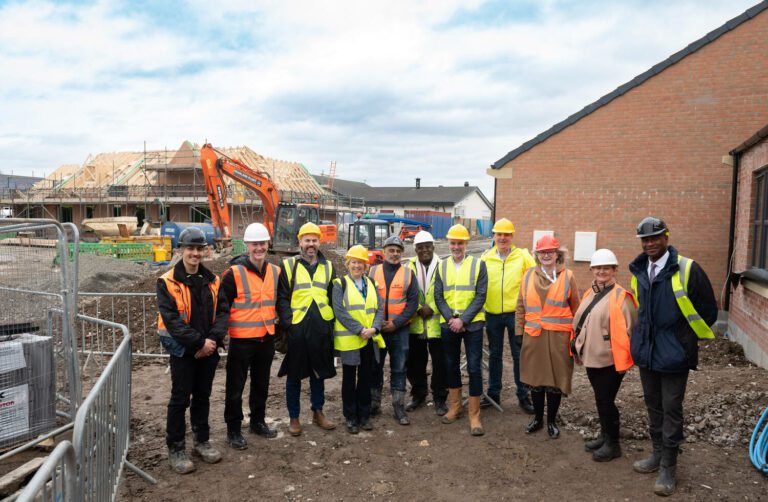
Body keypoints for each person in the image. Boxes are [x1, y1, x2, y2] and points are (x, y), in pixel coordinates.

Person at [628, 217, 717, 496]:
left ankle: (669, 466)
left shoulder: (688, 269)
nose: (650, 243)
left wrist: (683, 338)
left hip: (675, 354)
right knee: (653, 406)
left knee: (671, 409)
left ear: (666, 237)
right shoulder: (639, 269)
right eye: (645, 239)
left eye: (655, 237)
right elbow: (641, 310)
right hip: (648, 353)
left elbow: (708, 311)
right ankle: (656, 454)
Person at [157, 227, 227, 474]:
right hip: (183, 352)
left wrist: (211, 341)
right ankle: (176, 447)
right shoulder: (167, 282)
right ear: (181, 250)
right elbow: (172, 320)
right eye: (190, 248)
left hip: (207, 351)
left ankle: (201, 441)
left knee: (202, 397)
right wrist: (199, 344)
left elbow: (222, 313)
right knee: (179, 400)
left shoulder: (213, 281)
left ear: (205, 251)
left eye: (199, 249)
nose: (195, 253)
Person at [219, 223, 280, 450]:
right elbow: (222, 308)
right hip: (242, 340)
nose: (259, 248)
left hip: (266, 338)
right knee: (235, 387)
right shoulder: (233, 274)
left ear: (267, 244)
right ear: (247, 245)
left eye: (262, 243)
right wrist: (218, 337)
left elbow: (280, 302)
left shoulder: (275, 271)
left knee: (261, 384)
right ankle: (233, 429)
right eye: (255, 244)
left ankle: (257, 422)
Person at [572, 249, 636, 462]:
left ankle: (613, 444)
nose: (601, 271)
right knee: (601, 399)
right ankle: (605, 436)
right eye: (598, 267)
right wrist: (577, 348)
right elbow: (583, 322)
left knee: (606, 401)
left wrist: (625, 361)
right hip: (592, 357)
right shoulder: (591, 292)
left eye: (606, 268)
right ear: (592, 269)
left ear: (614, 270)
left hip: (610, 360)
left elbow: (632, 330)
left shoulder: (621, 296)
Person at [277, 222, 337, 436]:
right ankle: (294, 417)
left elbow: (333, 297)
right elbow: (282, 298)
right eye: (307, 240)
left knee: (318, 373)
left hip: (321, 327)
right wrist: (289, 323)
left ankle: (317, 411)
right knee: (294, 374)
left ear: (319, 242)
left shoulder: (329, 267)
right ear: (299, 242)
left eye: (314, 240)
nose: (311, 244)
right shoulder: (288, 266)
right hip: (298, 327)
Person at [517, 235, 580, 439]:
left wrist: (576, 337)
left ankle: (551, 420)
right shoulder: (527, 276)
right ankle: (537, 418)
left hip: (559, 339)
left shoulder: (567, 276)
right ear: (537, 255)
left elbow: (576, 308)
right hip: (534, 336)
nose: (546, 255)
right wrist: (519, 332)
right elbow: (520, 307)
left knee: (554, 381)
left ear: (557, 254)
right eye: (542, 252)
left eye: (549, 252)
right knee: (536, 380)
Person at [434, 224, 488, 436]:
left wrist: (462, 320)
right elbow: (438, 296)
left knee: (474, 367)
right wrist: (450, 318)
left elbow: (480, 295)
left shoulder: (478, 265)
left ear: (466, 244)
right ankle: (455, 406)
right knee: (451, 365)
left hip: (472, 323)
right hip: (449, 324)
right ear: (449, 244)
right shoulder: (442, 265)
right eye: (453, 243)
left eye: (460, 243)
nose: (456, 247)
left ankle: (474, 414)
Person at [480, 218, 536, 413]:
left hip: (516, 314)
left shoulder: (523, 257)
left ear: (512, 236)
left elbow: (534, 281)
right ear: (493, 236)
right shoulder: (486, 258)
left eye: (506, 234)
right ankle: (493, 393)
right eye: (499, 234)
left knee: (518, 355)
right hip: (492, 313)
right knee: (494, 355)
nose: (502, 238)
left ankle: (523, 395)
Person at [332, 245, 386, 433]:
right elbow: (339, 311)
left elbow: (379, 308)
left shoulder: (371, 283)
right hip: (350, 341)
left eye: (360, 263)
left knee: (365, 378)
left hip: (369, 339)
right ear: (348, 264)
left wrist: (374, 328)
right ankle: (350, 417)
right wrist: (359, 329)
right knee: (348, 379)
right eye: (353, 262)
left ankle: (364, 416)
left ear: (366, 265)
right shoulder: (340, 284)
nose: (357, 266)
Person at [368, 235, 419, 425]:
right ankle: (374, 404)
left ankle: (398, 407)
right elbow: (365, 299)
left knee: (399, 369)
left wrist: (396, 324)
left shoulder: (408, 274)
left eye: (398, 250)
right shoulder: (372, 272)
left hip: (400, 330)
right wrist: (377, 323)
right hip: (377, 330)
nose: (395, 253)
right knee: (375, 367)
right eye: (391, 250)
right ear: (384, 251)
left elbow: (413, 303)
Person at [405, 230, 448, 416]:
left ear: (433, 247)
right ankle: (418, 394)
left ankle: (440, 397)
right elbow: (404, 295)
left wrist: (433, 309)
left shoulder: (443, 266)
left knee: (440, 363)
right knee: (415, 362)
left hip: (437, 324)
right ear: (415, 249)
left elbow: (449, 294)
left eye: (427, 246)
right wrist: (416, 310)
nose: (424, 250)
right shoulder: (408, 267)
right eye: (420, 247)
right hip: (415, 324)